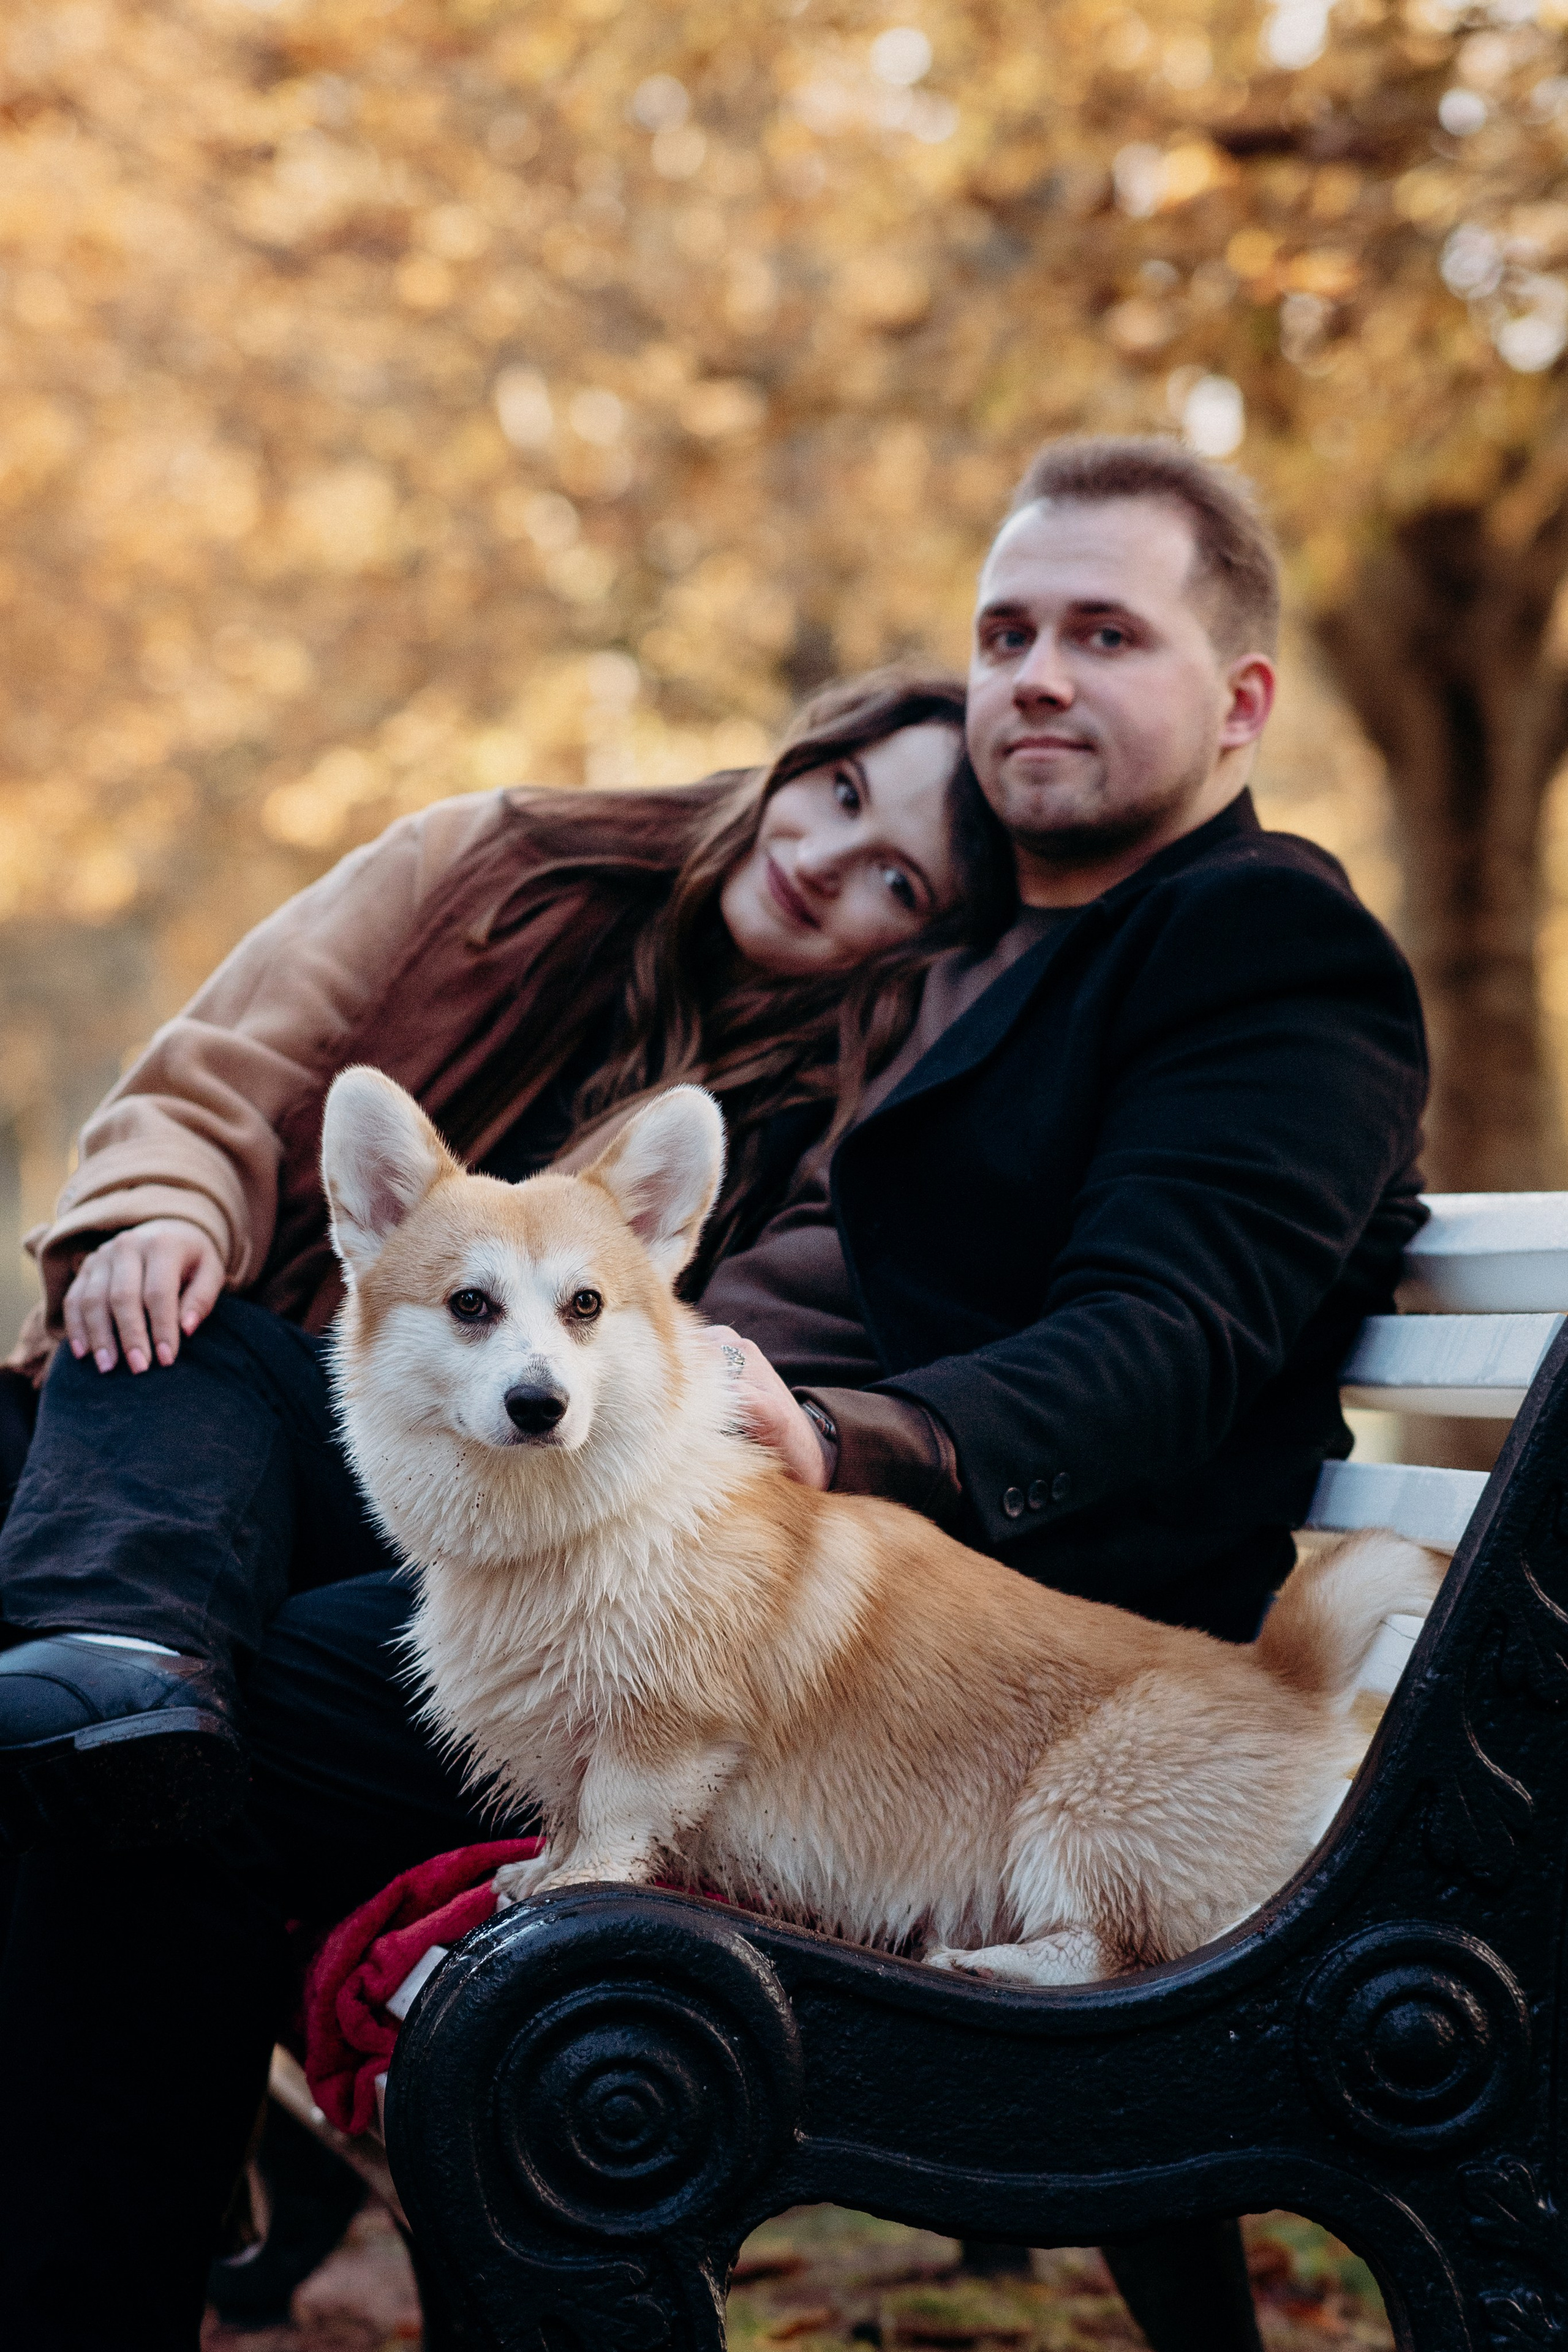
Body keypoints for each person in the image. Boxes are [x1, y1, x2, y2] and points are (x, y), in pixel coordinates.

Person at [0, 438, 1428, 2350]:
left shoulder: (1259, 939)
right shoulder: (964, 949)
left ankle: (85, 2278)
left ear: (1243, 700)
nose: (1037, 677)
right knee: (186, 1478)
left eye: (1106, 635)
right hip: (658, 1539)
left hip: (933, 1655)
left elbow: (1168, 1333)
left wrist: (852, 1434)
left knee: (179, 1746)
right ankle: (110, 1653)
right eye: (1008, 633)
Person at [0, 663, 1012, 1844]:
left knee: (257, 1688)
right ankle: (118, 1669)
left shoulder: (865, 1109)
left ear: (927, 943)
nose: (825, 860)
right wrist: (165, 1212)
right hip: (281, 1405)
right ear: (794, 761)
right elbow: (222, 1067)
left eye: (896, 878)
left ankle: (124, 1710)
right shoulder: (493, 860)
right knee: (155, 1342)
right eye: (841, 792)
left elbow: (728, 1368)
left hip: (539, 1511)